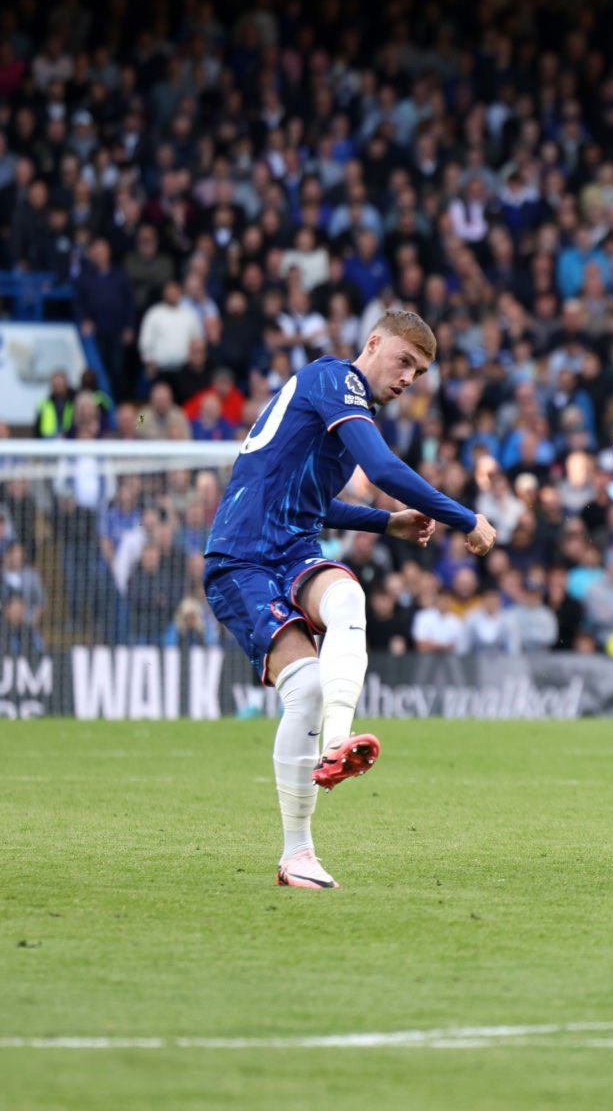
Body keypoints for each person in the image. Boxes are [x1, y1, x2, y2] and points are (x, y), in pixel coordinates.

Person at [203, 309, 497, 890]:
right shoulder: (334, 379)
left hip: (292, 549)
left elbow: (311, 501)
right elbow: (383, 466)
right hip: (241, 557)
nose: (410, 377)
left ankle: (330, 758)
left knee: (346, 601)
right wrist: (465, 517)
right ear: (373, 344)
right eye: (405, 361)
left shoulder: (340, 412)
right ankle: (301, 843)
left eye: (420, 371)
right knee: (306, 686)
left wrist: (383, 524)